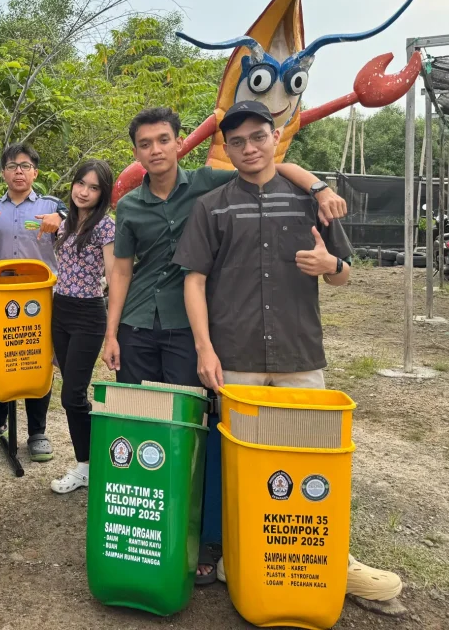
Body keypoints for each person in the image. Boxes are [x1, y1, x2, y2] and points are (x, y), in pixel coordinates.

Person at [101, 105, 347, 584]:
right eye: (145, 144)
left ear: (179, 143)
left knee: (199, 433)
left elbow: (272, 166)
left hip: (191, 331)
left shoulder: (208, 184)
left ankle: (216, 535)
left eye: (163, 140)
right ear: (135, 152)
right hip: (143, 327)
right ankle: (149, 524)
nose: (155, 150)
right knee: (143, 425)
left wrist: (319, 186)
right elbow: (123, 270)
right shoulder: (132, 205)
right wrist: (111, 333)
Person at [177, 100, 403, 607]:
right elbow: (194, 280)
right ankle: (244, 555)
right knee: (240, 468)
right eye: (237, 142)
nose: (249, 148)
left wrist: (329, 265)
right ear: (227, 149)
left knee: (315, 463)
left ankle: (332, 560)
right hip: (234, 357)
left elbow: (344, 275)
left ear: (275, 137)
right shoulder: (212, 207)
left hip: (301, 356)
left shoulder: (309, 202)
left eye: (258, 137)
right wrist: (204, 349)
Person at [0, 142, 66, 462]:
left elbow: (74, 233)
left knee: (37, 356)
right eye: (12, 166)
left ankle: (37, 431)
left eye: (25, 166)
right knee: (1, 355)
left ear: (35, 172)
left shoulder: (52, 207)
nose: (19, 172)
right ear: (3, 173)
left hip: (40, 299)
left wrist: (61, 221)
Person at [49, 160, 116, 494]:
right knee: (72, 392)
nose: (84, 191)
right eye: (80, 183)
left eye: (93, 187)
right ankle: (91, 462)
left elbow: (116, 278)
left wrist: (114, 332)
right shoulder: (67, 222)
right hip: (59, 309)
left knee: (72, 394)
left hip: (89, 314)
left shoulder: (106, 226)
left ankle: (86, 466)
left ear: (103, 193)